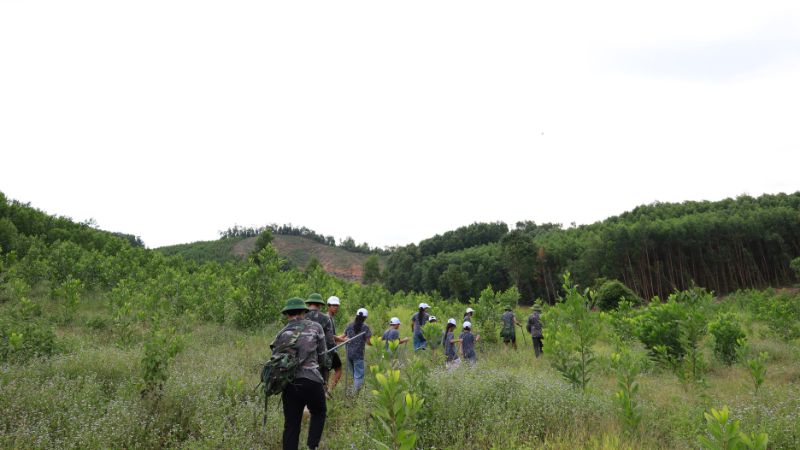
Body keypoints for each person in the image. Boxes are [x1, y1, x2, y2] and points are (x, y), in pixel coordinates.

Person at [271, 297, 327, 450]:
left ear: (287, 314)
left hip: (289, 384)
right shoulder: (316, 328)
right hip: (312, 381)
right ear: (304, 312)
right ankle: (312, 446)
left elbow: (276, 358)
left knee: (291, 424)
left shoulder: (281, 333)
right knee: (319, 412)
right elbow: (323, 357)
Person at [304, 294, 335, 389]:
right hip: (320, 356)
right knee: (320, 386)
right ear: (320, 305)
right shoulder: (325, 318)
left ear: (309, 304)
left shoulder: (301, 316)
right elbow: (330, 341)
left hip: (303, 356)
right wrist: (330, 355)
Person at [343, 308, 372, 393]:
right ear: (365, 317)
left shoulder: (349, 325)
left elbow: (343, 336)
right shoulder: (365, 327)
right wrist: (376, 344)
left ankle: (353, 392)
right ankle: (354, 395)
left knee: (354, 375)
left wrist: (334, 339)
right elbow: (368, 342)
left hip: (348, 354)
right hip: (359, 355)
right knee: (358, 376)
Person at [325, 295, 347, 392]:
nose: (336, 307)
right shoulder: (327, 318)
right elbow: (329, 336)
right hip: (329, 350)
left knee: (327, 371)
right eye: (334, 305)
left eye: (337, 306)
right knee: (338, 369)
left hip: (330, 349)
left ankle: (325, 391)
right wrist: (343, 340)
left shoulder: (330, 318)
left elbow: (332, 336)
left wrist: (343, 336)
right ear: (328, 306)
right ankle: (328, 391)